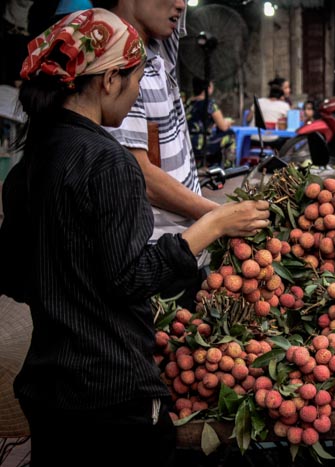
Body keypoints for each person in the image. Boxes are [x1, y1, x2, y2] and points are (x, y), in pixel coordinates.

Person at [0, 9, 270, 467]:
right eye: (136, 78)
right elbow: (131, 277)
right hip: (111, 397)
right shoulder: (109, 163)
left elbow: (12, 275)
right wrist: (213, 226)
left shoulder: (31, 161)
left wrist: (68, 287)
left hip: (49, 391)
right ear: (108, 82)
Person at [92, 0, 222, 305]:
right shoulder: (117, 64)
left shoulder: (160, 47)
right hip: (154, 256)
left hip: (183, 246)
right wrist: (218, 218)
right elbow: (141, 176)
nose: (181, 5)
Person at [185, 77, 235, 167]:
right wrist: (228, 122)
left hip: (186, 143)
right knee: (230, 134)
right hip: (201, 144)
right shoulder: (209, 104)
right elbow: (223, 126)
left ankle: (208, 163)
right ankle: (229, 168)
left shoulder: (187, 103)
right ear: (207, 88)